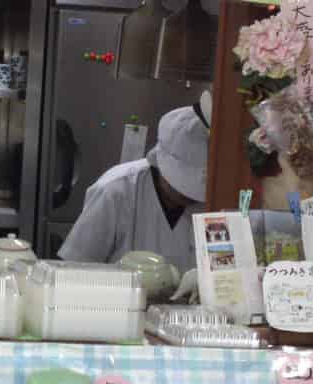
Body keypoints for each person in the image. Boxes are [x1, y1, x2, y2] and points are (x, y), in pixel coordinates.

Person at [58, 98, 211, 269]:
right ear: (161, 163)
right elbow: (74, 268)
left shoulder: (213, 200)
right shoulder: (115, 191)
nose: (190, 196)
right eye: (183, 183)